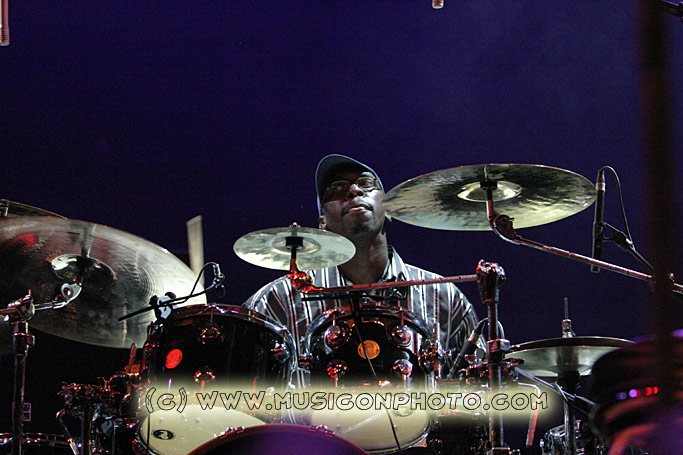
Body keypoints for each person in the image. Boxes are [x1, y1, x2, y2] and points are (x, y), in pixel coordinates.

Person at [242, 154, 482, 388]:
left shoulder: (444, 296)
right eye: (337, 188)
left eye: (366, 183)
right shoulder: (277, 302)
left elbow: (481, 390)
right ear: (322, 222)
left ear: (388, 211)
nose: (354, 191)